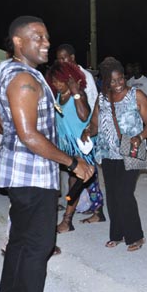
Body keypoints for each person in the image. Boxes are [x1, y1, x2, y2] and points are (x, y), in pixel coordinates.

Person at [0, 15, 94, 292]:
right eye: (38, 37)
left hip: (18, 172)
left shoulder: (7, 73)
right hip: (32, 174)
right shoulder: (23, 79)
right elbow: (28, 134)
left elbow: (1, 119)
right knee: (39, 245)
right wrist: (72, 162)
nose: (46, 43)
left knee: (20, 241)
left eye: (47, 37)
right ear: (19, 42)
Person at [82, 57, 147, 251]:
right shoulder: (102, 99)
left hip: (132, 149)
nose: (117, 84)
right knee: (113, 196)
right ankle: (117, 234)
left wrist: (140, 137)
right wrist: (87, 132)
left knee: (125, 194)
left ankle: (136, 236)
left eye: (120, 79)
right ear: (105, 82)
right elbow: (95, 124)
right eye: (112, 81)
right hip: (108, 152)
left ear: (125, 77)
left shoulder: (136, 95)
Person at [45, 60, 104, 232]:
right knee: (88, 179)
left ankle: (67, 221)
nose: (56, 84)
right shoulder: (57, 96)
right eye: (54, 80)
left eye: (60, 80)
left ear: (69, 79)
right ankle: (99, 211)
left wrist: (76, 91)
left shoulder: (79, 95)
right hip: (66, 145)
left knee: (76, 181)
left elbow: (84, 115)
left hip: (81, 145)